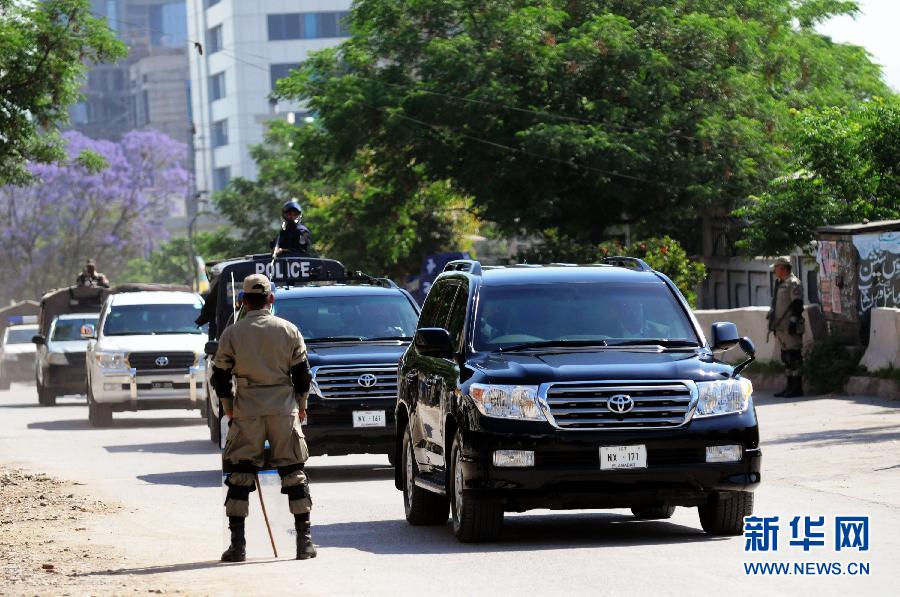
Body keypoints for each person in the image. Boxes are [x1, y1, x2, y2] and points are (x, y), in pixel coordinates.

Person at [210, 274, 316, 562]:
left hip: (247, 411)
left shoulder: (232, 334)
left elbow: (219, 377)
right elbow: (302, 376)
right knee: (294, 473)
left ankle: (238, 546)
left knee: (240, 475)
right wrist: (301, 405)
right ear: (271, 299)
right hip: (284, 410)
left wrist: (229, 408)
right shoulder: (289, 330)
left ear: (243, 301)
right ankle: (303, 543)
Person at [768, 256, 805, 398]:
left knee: (794, 356)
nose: (774, 271)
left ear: (783, 268)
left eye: (776, 268)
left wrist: (794, 321)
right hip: (781, 327)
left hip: (790, 326)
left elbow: (797, 304)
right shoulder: (780, 283)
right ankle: (789, 387)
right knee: (786, 357)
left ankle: (797, 388)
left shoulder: (793, 283)